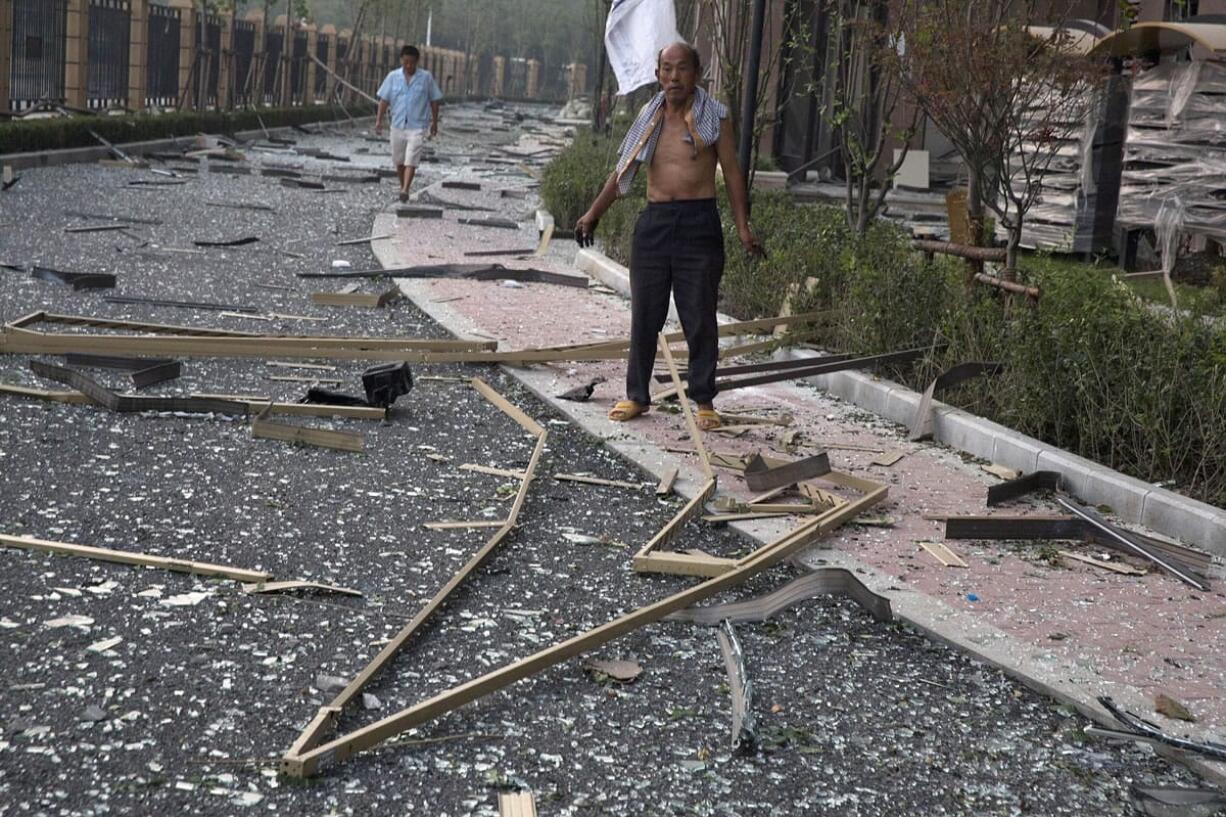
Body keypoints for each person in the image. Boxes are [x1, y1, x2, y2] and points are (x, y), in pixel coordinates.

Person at [575, 41, 760, 431]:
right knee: (645, 316)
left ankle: (704, 400)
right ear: (658, 74)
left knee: (699, 317)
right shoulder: (650, 116)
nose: (674, 76)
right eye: (666, 69)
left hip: (699, 224)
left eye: (682, 69)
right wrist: (592, 214)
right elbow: (623, 171)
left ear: (696, 73)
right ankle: (637, 396)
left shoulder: (715, 117)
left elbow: (733, 173)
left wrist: (743, 228)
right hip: (655, 226)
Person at [374, 45, 443, 203]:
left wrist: (434, 122)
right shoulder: (392, 77)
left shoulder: (426, 78)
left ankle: (405, 189)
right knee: (399, 161)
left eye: (412, 63)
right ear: (401, 60)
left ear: (417, 61)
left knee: (411, 159)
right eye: (406, 62)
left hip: (417, 126)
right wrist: (379, 120)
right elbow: (384, 100)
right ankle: (403, 186)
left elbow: (434, 101)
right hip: (397, 125)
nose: (409, 66)